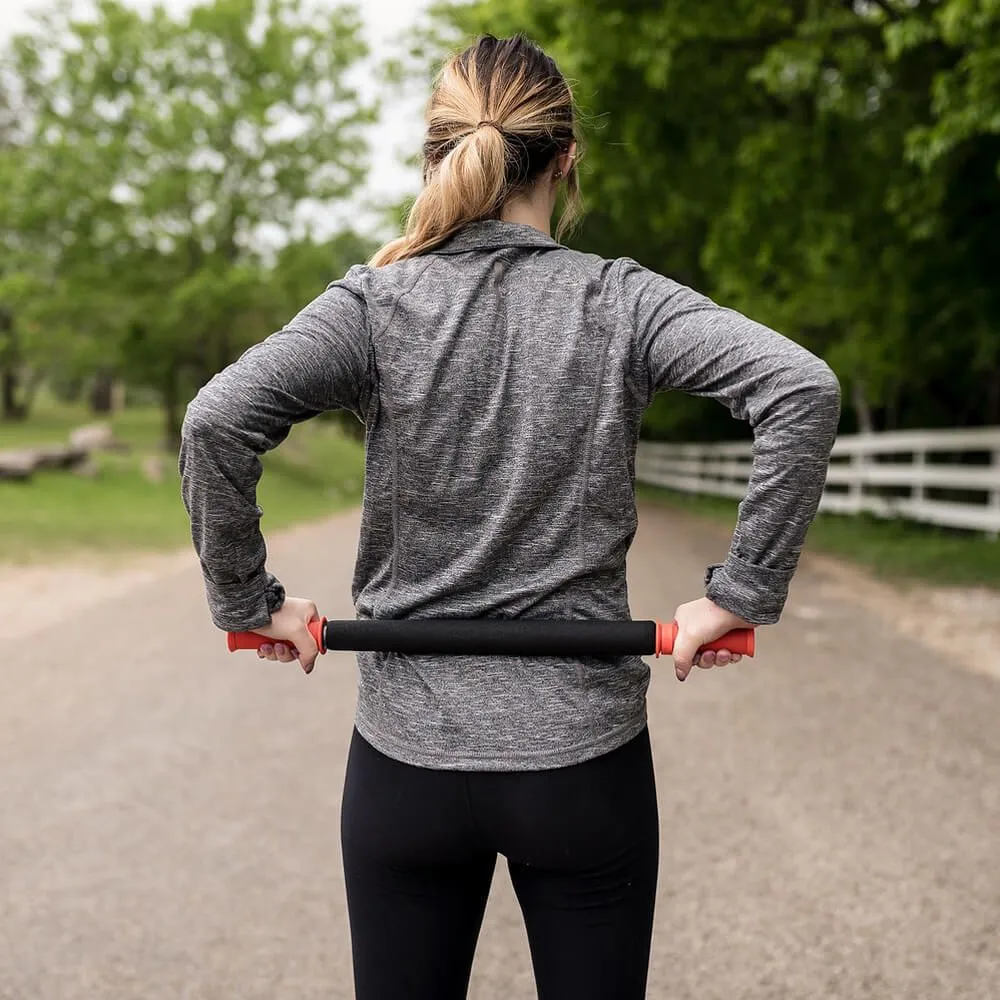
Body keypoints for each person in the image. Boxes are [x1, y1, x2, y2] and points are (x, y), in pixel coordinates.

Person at [179, 32, 841, 1000]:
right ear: (566, 159)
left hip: (405, 768)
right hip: (580, 769)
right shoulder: (619, 300)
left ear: (436, 153)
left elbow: (214, 421)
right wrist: (737, 594)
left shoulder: (374, 305)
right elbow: (801, 387)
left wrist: (245, 600)